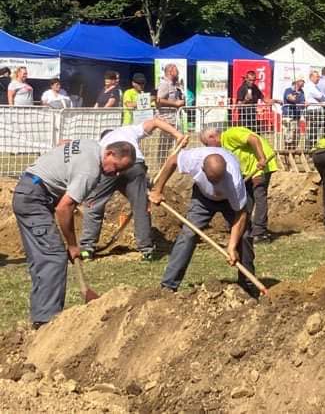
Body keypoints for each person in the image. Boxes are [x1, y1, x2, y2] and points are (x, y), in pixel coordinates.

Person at [13, 139, 136, 327]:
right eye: (116, 167)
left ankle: (40, 314)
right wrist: (72, 245)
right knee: (53, 257)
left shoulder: (92, 146)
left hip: (30, 189)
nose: (115, 173)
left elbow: (64, 143)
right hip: (34, 198)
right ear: (110, 154)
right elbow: (64, 208)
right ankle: (46, 321)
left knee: (43, 257)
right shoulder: (91, 171)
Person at [79, 118, 185, 261]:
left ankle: (87, 248)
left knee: (94, 204)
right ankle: (146, 250)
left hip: (110, 168)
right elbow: (155, 122)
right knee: (141, 207)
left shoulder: (102, 146)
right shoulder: (128, 130)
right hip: (134, 166)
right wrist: (177, 135)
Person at [150, 147, 251, 293]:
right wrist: (158, 189)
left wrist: (232, 246)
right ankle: (168, 285)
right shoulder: (193, 159)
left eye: (219, 181)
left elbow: (240, 214)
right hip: (203, 198)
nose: (216, 185)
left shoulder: (235, 182)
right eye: (212, 181)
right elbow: (172, 160)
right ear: (202, 169)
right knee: (188, 234)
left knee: (244, 236)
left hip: (229, 200)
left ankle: (247, 286)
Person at [201, 126, 277, 244]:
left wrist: (261, 158)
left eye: (207, 144)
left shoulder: (231, 134)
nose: (207, 147)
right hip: (248, 169)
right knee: (246, 198)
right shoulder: (224, 146)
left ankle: (259, 233)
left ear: (212, 137)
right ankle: (245, 227)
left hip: (260, 165)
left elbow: (253, 139)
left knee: (259, 195)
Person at [156, 63, 185, 153]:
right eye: (176, 70)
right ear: (170, 72)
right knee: (165, 147)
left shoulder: (174, 85)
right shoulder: (164, 84)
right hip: (166, 120)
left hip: (173, 118)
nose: (178, 72)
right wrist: (175, 104)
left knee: (175, 144)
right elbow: (159, 100)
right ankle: (163, 165)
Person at [304, 70, 325, 149]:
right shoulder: (310, 86)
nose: (318, 78)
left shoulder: (314, 86)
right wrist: (322, 97)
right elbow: (320, 96)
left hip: (315, 110)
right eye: (317, 77)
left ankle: (312, 148)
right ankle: (310, 148)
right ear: (311, 77)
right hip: (313, 110)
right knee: (313, 130)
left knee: (315, 130)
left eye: (319, 77)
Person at [282, 78, 305, 148]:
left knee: (296, 134)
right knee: (288, 133)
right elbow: (289, 98)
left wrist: (304, 104)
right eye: (302, 81)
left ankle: (293, 150)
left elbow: (302, 103)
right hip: (288, 115)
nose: (304, 83)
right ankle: (287, 151)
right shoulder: (288, 90)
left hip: (296, 116)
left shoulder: (302, 92)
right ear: (297, 82)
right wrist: (294, 96)